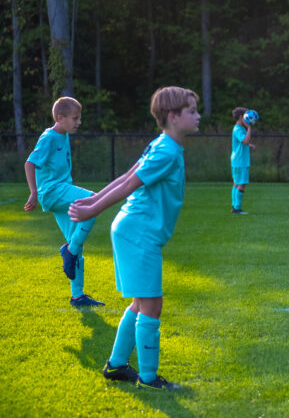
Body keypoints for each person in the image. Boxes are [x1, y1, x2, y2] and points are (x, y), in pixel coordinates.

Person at [68, 86, 200, 390]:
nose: (198, 116)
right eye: (191, 111)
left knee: (141, 304)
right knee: (152, 305)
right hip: (139, 234)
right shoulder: (166, 150)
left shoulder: (164, 144)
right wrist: (93, 209)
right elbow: (130, 184)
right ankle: (150, 379)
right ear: (173, 116)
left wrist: (93, 201)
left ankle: (116, 366)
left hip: (135, 231)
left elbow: (128, 177)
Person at [24, 97, 104, 307]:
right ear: (60, 118)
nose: (79, 122)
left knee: (77, 243)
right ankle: (70, 250)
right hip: (52, 191)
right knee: (92, 202)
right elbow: (30, 163)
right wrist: (33, 192)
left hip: (60, 191)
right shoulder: (49, 137)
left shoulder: (64, 134)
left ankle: (77, 296)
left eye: (80, 118)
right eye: (75, 118)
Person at [230, 107, 256, 214]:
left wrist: (249, 145)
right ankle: (237, 208)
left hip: (238, 160)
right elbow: (245, 140)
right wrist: (249, 128)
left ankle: (234, 207)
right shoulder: (238, 129)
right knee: (241, 183)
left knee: (236, 183)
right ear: (241, 117)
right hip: (240, 161)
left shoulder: (239, 129)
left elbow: (242, 142)